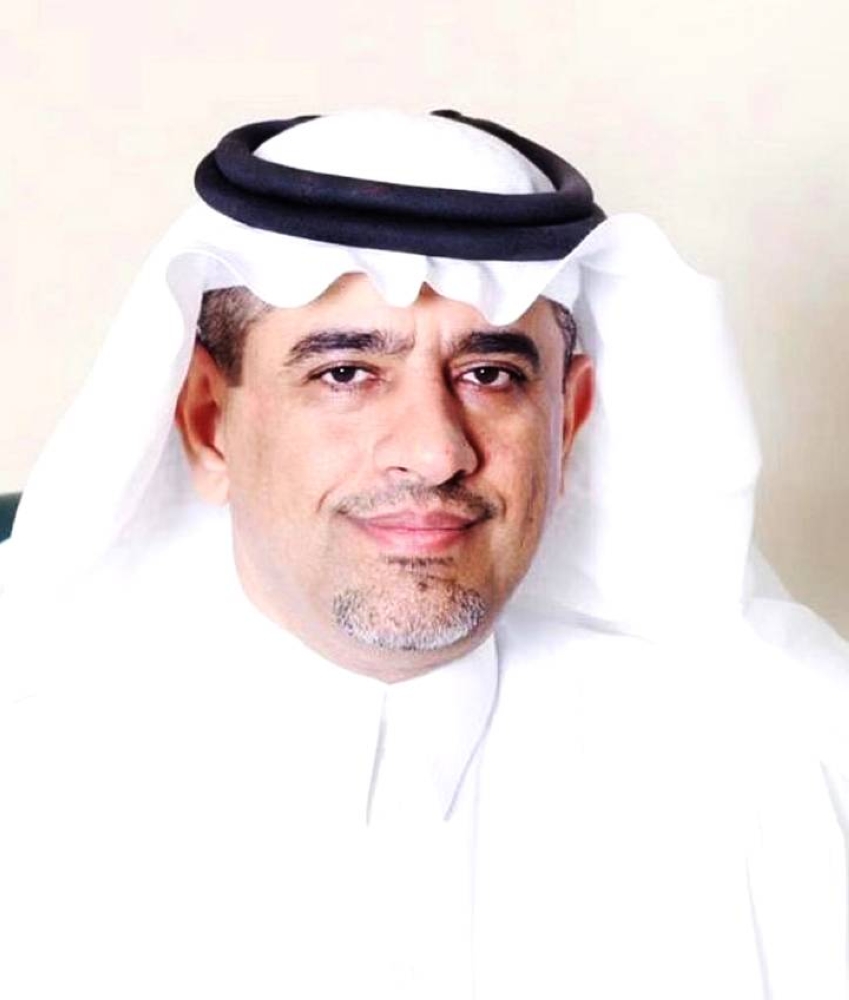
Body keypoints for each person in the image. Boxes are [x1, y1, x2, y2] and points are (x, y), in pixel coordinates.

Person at [1, 109, 847, 998]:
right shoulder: (34, 784)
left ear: (566, 421)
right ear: (210, 423)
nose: (434, 451)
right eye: (344, 374)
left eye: (490, 375)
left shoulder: (776, 779)